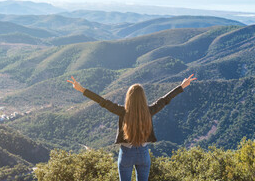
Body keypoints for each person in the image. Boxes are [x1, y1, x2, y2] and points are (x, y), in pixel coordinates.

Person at [67, 74, 196, 181]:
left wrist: (82, 89)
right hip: (144, 154)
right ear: (143, 98)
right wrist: (181, 86)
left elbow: (103, 102)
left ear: (128, 98)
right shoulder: (149, 111)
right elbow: (165, 99)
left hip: (126, 154)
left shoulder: (123, 112)